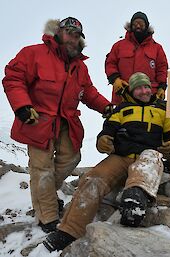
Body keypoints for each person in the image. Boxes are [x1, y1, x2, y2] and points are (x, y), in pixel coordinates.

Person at [2, 17, 113, 233]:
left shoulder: (79, 66)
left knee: (73, 158)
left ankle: (46, 196)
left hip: (66, 122)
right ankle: (48, 217)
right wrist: (22, 106)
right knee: (41, 169)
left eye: (77, 35)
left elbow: (88, 92)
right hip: (37, 120)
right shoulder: (33, 53)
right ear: (58, 32)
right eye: (69, 32)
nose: (73, 38)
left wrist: (106, 107)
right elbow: (13, 78)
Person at [42, 72, 170, 252]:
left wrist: (169, 147)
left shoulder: (163, 110)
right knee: (93, 179)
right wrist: (103, 140)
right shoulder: (120, 110)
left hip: (149, 154)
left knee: (149, 161)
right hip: (120, 156)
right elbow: (107, 131)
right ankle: (69, 231)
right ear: (131, 91)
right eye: (138, 88)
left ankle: (135, 199)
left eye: (146, 87)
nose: (144, 91)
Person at [105, 11, 168, 105]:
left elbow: (162, 69)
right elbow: (110, 63)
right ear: (131, 26)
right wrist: (115, 79)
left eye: (141, 24)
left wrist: (162, 87)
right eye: (135, 24)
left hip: (149, 98)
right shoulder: (119, 46)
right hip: (123, 96)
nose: (138, 26)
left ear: (147, 26)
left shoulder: (157, 48)